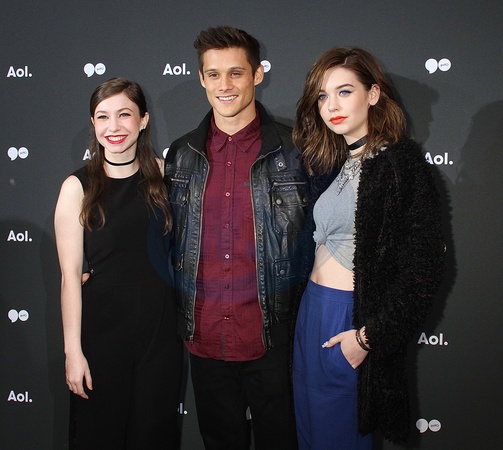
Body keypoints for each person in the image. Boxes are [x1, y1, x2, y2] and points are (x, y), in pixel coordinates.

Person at [164, 26, 310, 450]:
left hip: (273, 335)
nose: (224, 85)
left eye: (236, 73)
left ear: (258, 74)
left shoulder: (297, 150)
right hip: (205, 335)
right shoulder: (180, 155)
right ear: (201, 79)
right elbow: (162, 235)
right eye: (213, 74)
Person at [292, 47, 445, 449]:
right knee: (309, 436)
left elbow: (423, 270)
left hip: (346, 317)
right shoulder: (336, 163)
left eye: (344, 91)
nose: (331, 106)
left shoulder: (400, 165)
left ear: (373, 94)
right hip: (311, 313)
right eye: (322, 96)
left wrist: (366, 338)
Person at [54, 77, 183, 449]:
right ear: (93, 123)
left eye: (124, 114)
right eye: (103, 116)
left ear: (143, 120)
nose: (114, 126)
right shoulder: (77, 188)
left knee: (154, 435)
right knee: (100, 434)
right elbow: (69, 277)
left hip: (160, 332)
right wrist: (73, 352)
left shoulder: (166, 177)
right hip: (102, 333)